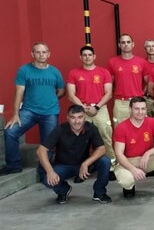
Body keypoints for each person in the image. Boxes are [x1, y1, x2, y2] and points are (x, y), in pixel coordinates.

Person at [1, 42, 65, 176]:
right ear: (32, 54)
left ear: (49, 54)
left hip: (50, 112)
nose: (41, 55)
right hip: (29, 111)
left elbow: (61, 90)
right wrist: (15, 115)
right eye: (38, 52)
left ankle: (44, 171)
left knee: (48, 142)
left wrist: (51, 99)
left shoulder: (54, 71)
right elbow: (19, 92)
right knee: (10, 132)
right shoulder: (24, 70)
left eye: (44, 52)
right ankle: (13, 165)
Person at [36, 105, 111, 204]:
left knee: (105, 161)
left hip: (84, 164)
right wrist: (50, 171)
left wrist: (86, 163)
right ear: (67, 117)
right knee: (47, 180)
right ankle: (63, 190)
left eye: (80, 117)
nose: (77, 121)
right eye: (73, 117)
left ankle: (99, 192)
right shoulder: (60, 129)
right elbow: (41, 150)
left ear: (85, 117)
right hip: (63, 166)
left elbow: (101, 149)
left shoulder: (91, 128)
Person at [113, 97, 154, 198]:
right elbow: (119, 154)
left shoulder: (152, 122)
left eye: (143, 109)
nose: (140, 112)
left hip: (146, 160)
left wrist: (148, 153)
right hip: (128, 161)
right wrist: (133, 169)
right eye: (136, 109)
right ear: (130, 109)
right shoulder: (122, 127)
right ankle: (129, 188)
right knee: (127, 181)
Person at [66, 46, 115, 179]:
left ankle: (111, 167)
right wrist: (83, 107)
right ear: (80, 57)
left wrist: (97, 107)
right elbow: (71, 95)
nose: (87, 57)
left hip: (100, 109)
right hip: (81, 110)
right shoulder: (74, 73)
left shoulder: (103, 72)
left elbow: (109, 93)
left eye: (89, 55)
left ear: (94, 56)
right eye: (84, 55)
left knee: (105, 136)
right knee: (81, 140)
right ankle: (82, 169)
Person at [107, 34, 148, 126]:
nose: (126, 44)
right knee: (119, 129)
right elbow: (110, 83)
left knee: (141, 130)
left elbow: (148, 82)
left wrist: (141, 93)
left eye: (128, 42)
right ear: (119, 45)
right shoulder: (112, 62)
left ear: (133, 44)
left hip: (138, 102)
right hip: (120, 103)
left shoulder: (141, 62)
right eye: (123, 42)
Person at [143, 39, 154, 117]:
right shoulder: (141, 63)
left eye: (153, 46)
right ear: (145, 49)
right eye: (148, 46)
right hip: (147, 98)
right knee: (148, 123)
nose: (151, 48)